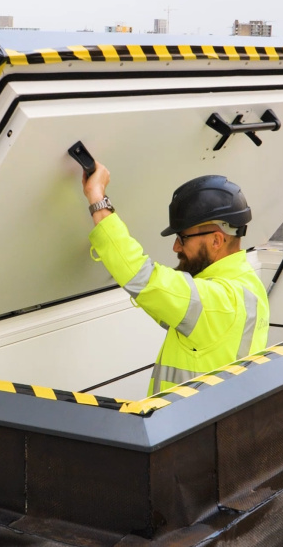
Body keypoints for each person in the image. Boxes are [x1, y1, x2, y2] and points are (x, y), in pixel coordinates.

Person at [82, 163, 269, 395]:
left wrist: (97, 197)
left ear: (216, 241)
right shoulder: (248, 283)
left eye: (183, 238)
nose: (175, 247)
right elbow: (161, 300)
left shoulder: (217, 302)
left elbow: (145, 279)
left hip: (189, 426)